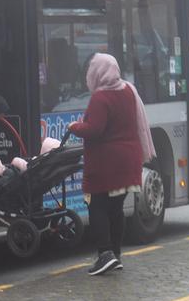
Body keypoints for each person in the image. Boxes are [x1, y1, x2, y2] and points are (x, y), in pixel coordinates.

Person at [67, 53, 156, 276]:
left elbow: (94, 130)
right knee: (115, 209)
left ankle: (105, 253)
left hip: (106, 164)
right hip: (129, 161)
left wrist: (74, 127)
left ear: (96, 73)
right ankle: (115, 254)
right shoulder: (128, 91)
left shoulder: (101, 97)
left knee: (96, 206)